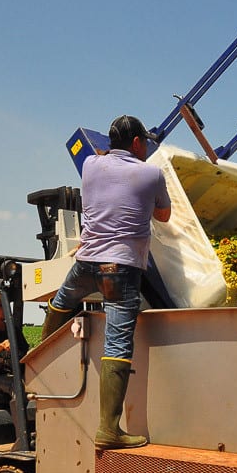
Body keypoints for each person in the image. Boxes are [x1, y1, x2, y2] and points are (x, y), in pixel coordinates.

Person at [41, 114, 172, 451]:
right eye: (144, 143)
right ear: (137, 143)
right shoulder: (151, 173)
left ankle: (38, 366)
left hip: (86, 263)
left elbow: (101, 157)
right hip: (121, 270)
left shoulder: (90, 166)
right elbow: (164, 215)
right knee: (117, 345)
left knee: (61, 302)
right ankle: (109, 430)